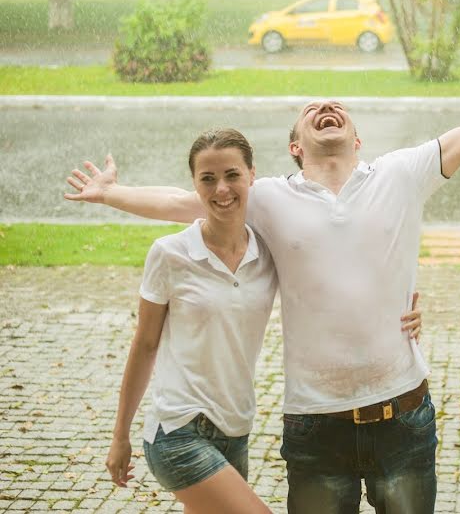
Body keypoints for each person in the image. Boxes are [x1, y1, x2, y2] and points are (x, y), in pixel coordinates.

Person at [66, 48, 460, 513]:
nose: (325, 105)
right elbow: (183, 202)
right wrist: (111, 193)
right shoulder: (265, 197)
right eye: (311, 109)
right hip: (315, 425)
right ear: (295, 145)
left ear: (356, 139)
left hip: (403, 413)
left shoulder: (401, 174)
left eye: (336, 106)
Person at [100, 129, 423, 514]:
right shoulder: (169, 254)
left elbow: (338, 272)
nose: (221, 189)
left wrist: (398, 312)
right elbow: (145, 345)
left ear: (252, 175)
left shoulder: (267, 253)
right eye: (207, 179)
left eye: (232, 175)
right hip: (178, 430)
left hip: (235, 432)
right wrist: (120, 435)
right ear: (195, 185)